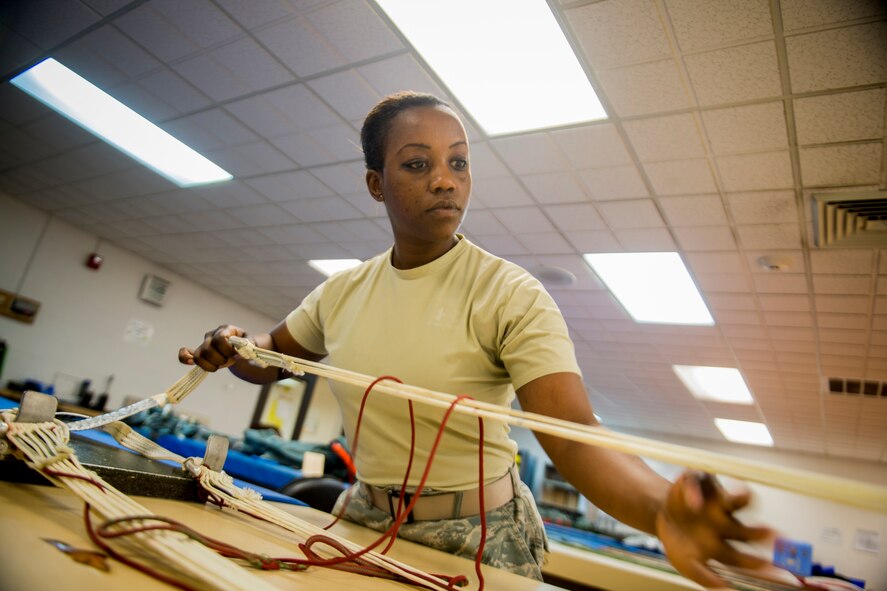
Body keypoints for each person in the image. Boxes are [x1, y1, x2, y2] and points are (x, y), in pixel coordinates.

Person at [180, 91, 774, 588]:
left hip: (480, 535)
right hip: (364, 514)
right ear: (375, 184)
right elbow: (270, 358)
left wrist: (658, 508)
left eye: (458, 162)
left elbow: (574, 435)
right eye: (417, 164)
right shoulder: (341, 293)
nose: (445, 179)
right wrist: (233, 344)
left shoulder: (510, 293)